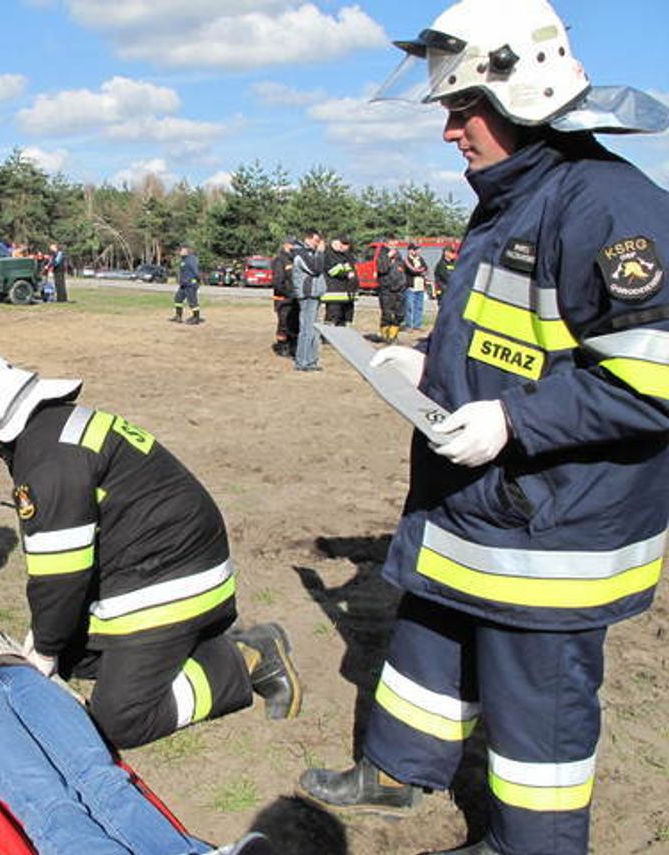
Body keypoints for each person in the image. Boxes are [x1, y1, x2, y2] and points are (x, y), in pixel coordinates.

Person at [296, 2, 669, 853]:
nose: (450, 133)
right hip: (475, 506)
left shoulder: (610, 207)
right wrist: (431, 360)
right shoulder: (512, 198)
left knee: (538, 706)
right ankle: (399, 770)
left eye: (462, 110)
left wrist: (514, 419)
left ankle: (528, 845)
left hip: (553, 524)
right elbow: (513, 336)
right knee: (428, 638)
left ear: (524, 97)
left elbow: (655, 378)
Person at [0, 344, 302, 750]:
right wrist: (53, 644)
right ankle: (186, 646)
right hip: (171, 564)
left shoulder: (48, 462)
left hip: (173, 582)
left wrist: (44, 648)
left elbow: (61, 576)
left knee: (118, 720)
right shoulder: (54, 428)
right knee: (73, 657)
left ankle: (242, 659)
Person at [0, 588, 276, 855]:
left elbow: (32, 659)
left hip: (20, 677)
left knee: (101, 776)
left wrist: (66, 698)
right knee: (45, 796)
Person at [292, 228, 326, 371]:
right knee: (307, 329)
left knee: (313, 330)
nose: (317, 244)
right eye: (316, 241)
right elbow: (315, 269)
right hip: (307, 295)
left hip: (314, 294)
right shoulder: (301, 254)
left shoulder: (310, 254)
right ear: (308, 239)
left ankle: (311, 360)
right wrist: (320, 252)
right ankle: (303, 362)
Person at [270, 236, 300, 357]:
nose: (294, 248)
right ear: (286, 245)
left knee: (294, 323)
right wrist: (288, 293)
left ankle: (293, 347)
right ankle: (282, 346)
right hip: (283, 298)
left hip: (294, 298)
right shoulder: (279, 260)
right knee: (284, 324)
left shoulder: (294, 259)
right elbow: (278, 281)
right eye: (292, 245)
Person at [321, 236, 359, 327]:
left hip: (347, 292)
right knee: (333, 316)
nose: (343, 247)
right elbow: (332, 271)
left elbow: (352, 269)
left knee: (346, 317)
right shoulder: (328, 255)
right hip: (334, 292)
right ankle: (327, 337)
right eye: (342, 244)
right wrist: (347, 274)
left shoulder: (347, 255)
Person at [376, 246, 407, 343]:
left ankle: (393, 335)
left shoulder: (400, 261)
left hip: (399, 290)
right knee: (387, 314)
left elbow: (403, 272)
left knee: (399, 315)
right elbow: (381, 269)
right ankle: (385, 336)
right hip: (386, 290)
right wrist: (388, 257)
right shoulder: (382, 258)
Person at [171, 242, 204, 325]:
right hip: (183, 284)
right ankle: (178, 316)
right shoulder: (184, 260)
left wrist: (197, 280)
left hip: (190, 284)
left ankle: (196, 318)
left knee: (192, 302)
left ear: (186, 251)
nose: (179, 252)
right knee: (177, 299)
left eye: (181, 250)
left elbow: (195, 271)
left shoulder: (191, 259)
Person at [401, 244, 430, 331]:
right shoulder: (407, 260)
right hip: (411, 286)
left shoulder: (420, 259)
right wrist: (420, 271)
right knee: (409, 307)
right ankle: (409, 325)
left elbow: (427, 269)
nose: (418, 252)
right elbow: (412, 270)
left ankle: (418, 324)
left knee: (419, 306)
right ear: (410, 251)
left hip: (420, 286)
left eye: (418, 250)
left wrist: (422, 271)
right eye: (415, 250)